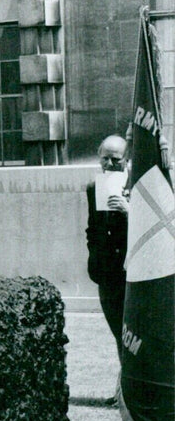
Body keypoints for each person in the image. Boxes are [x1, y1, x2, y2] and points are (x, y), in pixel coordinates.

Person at [85, 134, 129, 359]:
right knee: (118, 334)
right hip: (107, 273)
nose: (110, 165)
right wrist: (95, 256)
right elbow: (92, 229)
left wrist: (129, 211)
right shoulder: (94, 187)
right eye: (105, 159)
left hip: (134, 274)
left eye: (116, 160)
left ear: (127, 158)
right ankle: (123, 389)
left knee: (135, 335)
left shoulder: (140, 184)